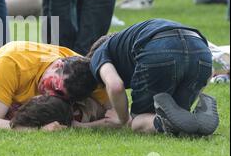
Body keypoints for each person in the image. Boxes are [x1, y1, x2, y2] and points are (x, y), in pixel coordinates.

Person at [87, 19, 219, 136]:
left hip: (159, 48)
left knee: (138, 121)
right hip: (201, 50)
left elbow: (115, 86)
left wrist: (122, 119)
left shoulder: (98, 55)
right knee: (177, 113)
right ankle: (197, 120)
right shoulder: (125, 42)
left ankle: (166, 123)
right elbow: (210, 71)